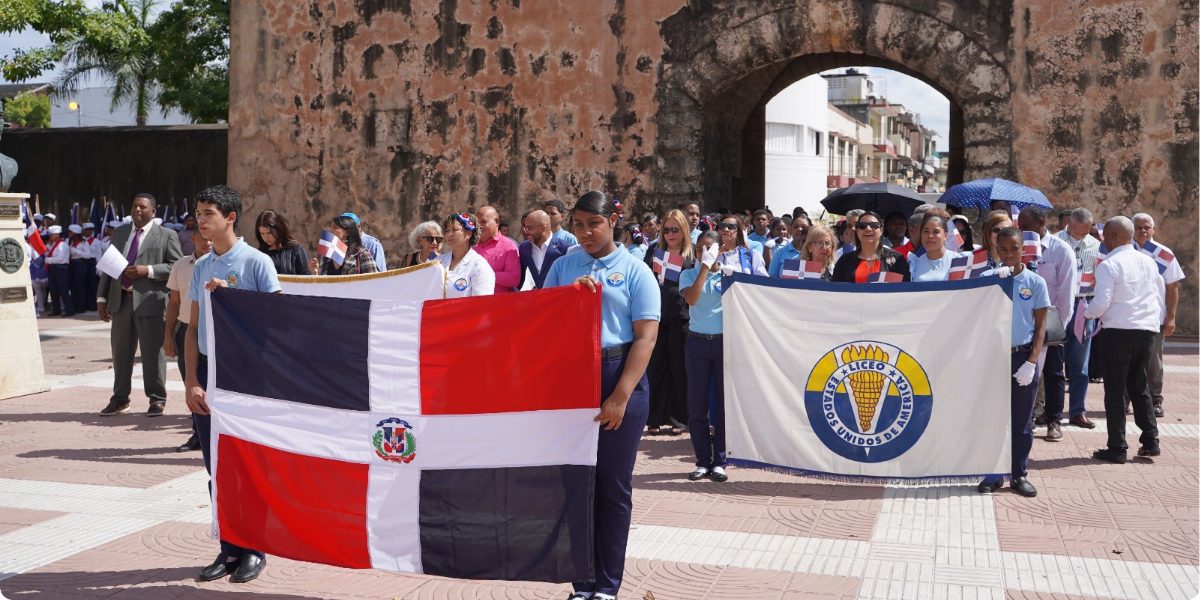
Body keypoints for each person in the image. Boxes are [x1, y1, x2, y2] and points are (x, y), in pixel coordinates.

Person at [544, 190, 659, 600]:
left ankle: (607, 586)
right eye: (577, 224)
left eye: (594, 223)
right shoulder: (562, 266)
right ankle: (582, 583)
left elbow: (645, 339)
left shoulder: (635, 271)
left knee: (611, 487)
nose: (585, 232)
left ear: (613, 221)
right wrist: (565, 300)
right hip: (573, 378)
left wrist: (621, 396)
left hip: (617, 374)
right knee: (576, 484)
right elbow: (541, 324)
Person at [184, 184, 281, 584]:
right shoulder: (201, 266)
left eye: (208, 213)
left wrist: (233, 300)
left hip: (246, 375)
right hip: (210, 375)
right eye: (198, 213)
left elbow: (275, 324)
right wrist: (191, 381)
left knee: (247, 464)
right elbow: (191, 329)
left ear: (229, 217)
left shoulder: (257, 263)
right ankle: (229, 547)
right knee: (217, 467)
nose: (201, 220)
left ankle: (253, 549)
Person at [1084, 217, 1164, 464]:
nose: (1103, 240)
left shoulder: (1109, 265)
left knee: (1116, 392)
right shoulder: (1148, 262)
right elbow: (1157, 295)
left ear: (1112, 237)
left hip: (1118, 333)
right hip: (1146, 332)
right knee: (1139, 387)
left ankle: (1117, 447)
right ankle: (1150, 441)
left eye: (1104, 235)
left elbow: (1101, 302)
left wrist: (1085, 313)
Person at [97, 193, 183, 417]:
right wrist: (102, 298)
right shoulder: (120, 232)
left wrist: (149, 270)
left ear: (153, 211)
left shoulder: (167, 235)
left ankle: (156, 399)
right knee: (121, 353)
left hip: (151, 303)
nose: (137, 210)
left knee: (153, 353)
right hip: (122, 301)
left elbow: (176, 265)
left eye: (143, 207)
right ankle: (120, 399)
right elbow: (109, 266)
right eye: (135, 206)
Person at [978, 227, 1049, 498]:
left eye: (1014, 249)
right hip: (993, 355)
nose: (1008, 254)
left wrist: (1032, 361)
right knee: (993, 419)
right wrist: (995, 285)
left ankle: (1018, 474)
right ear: (996, 249)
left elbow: (1041, 327)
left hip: (1022, 356)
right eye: (1003, 249)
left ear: (1023, 250)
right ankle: (993, 473)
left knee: (1021, 421)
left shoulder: (1035, 282)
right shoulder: (987, 278)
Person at [1017, 207, 1078, 440]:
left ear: (1041, 223)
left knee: (1053, 373)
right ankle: (1028, 417)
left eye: (1026, 227)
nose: (1022, 232)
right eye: (1019, 227)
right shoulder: (1020, 249)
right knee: (1025, 371)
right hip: (1023, 321)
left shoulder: (1061, 251)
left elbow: (1066, 292)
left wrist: (1057, 329)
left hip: (1051, 321)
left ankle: (1054, 420)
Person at [680, 230, 730, 483]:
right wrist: (704, 268)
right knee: (698, 406)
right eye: (700, 249)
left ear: (720, 250)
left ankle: (720, 462)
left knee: (722, 406)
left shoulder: (730, 275)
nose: (704, 253)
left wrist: (716, 267)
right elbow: (692, 298)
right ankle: (702, 461)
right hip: (697, 343)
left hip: (724, 345)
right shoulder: (689, 273)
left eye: (710, 249)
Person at [643, 209, 694, 437]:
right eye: (666, 230)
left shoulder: (692, 255)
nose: (671, 234)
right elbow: (644, 280)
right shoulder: (654, 252)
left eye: (675, 229)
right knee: (655, 367)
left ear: (683, 229)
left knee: (679, 368)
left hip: (682, 317)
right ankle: (653, 418)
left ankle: (679, 418)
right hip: (656, 316)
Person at [164, 230, 213, 453]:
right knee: (191, 383)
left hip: (211, 333)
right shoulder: (181, 266)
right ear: (193, 239)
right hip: (186, 331)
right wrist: (168, 335)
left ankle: (214, 433)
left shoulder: (216, 265)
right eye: (203, 237)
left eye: (211, 237)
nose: (208, 242)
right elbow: (174, 303)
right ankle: (198, 434)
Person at [1132, 213, 1184, 417]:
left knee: (1154, 362)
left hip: (1155, 318)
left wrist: (1171, 317)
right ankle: (1127, 397)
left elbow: (1172, 287)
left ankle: (1155, 399)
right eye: (1138, 227)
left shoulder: (1162, 253)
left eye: (1147, 227)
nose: (1143, 231)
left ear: (1154, 229)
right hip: (1129, 317)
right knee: (1129, 360)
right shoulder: (1125, 251)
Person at [1055, 207, 1101, 428]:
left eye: (1085, 232)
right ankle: (1051, 411)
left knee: (1080, 363)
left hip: (1083, 306)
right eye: (1077, 231)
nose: (1080, 236)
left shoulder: (1096, 246)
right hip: (1057, 307)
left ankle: (1077, 411)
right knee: (1054, 360)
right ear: (1069, 222)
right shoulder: (1054, 242)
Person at [831, 211, 911, 283]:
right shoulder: (844, 261)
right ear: (857, 231)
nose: (868, 229)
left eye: (873, 225)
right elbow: (835, 291)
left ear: (881, 230)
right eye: (863, 226)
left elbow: (904, 292)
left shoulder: (897, 260)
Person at [437, 212, 495, 298]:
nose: (449, 234)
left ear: (469, 234)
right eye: (447, 230)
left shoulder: (479, 266)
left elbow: (482, 305)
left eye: (455, 229)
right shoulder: (437, 262)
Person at [308, 215, 379, 276]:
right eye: (331, 227)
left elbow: (372, 282)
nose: (331, 231)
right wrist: (315, 273)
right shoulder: (327, 255)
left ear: (347, 232)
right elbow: (322, 285)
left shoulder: (362, 254)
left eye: (335, 227)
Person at [474, 206, 521, 293]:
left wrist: (485, 274)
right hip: (472, 303)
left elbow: (514, 278)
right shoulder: (471, 245)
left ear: (496, 221)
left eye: (483, 222)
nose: (479, 226)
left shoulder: (509, 246)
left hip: (497, 304)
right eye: (476, 223)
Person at [518, 210, 568, 290]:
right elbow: (520, 277)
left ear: (543, 228)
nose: (525, 232)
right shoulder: (523, 248)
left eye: (529, 228)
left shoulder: (565, 249)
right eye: (524, 228)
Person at [255, 211, 310, 275]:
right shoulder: (259, 254)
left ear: (278, 229)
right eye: (262, 233)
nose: (266, 237)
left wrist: (314, 272)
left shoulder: (295, 250)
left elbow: (308, 277)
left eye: (269, 233)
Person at [909, 215, 959, 282]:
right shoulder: (914, 263)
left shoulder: (958, 260)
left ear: (945, 236)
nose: (930, 236)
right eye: (926, 231)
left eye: (935, 232)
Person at [44, 225, 72, 316]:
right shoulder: (54, 245)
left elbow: (60, 258)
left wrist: (48, 260)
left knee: (63, 290)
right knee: (53, 290)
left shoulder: (62, 244)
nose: (50, 236)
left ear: (57, 234)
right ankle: (56, 310)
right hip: (53, 269)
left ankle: (69, 310)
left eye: (52, 235)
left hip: (61, 268)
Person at [67, 224, 91, 312]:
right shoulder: (69, 241)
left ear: (75, 233)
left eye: (70, 232)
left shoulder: (84, 242)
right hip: (71, 264)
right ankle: (74, 305)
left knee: (79, 286)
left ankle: (81, 306)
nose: (68, 233)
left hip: (80, 264)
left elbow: (88, 255)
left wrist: (76, 251)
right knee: (72, 286)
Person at [82, 222, 100, 311]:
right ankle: (85, 304)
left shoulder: (96, 241)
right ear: (83, 231)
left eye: (91, 230)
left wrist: (98, 267)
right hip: (82, 262)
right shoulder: (80, 240)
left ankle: (94, 305)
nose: (89, 232)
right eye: (87, 230)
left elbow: (98, 254)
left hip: (92, 263)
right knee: (84, 284)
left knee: (93, 285)